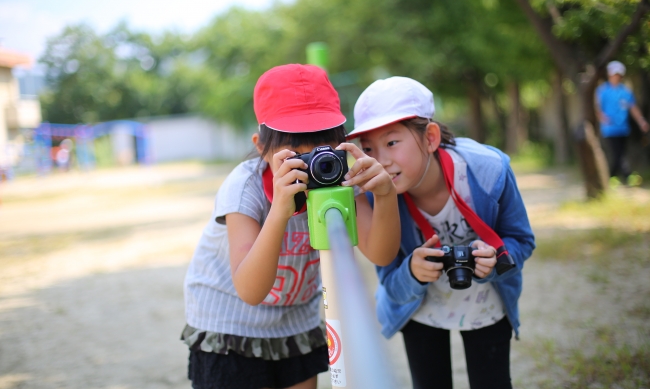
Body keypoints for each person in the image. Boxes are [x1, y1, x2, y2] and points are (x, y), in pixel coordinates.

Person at [181, 64, 400, 389]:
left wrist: (385, 195)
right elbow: (250, 291)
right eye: (295, 154)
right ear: (260, 146)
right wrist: (280, 211)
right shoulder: (245, 188)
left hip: (293, 323)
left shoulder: (341, 179)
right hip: (230, 325)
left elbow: (381, 254)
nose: (313, 165)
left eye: (323, 150)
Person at [346, 77, 535, 389]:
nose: (380, 161)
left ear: (430, 138)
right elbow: (391, 285)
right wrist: (412, 271)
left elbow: (522, 241)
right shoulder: (374, 195)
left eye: (392, 142)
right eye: (367, 148)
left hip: (487, 304)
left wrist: (496, 258)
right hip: (419, 311)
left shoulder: (489, 171)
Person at [596, 60, 650, 186]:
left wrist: (641, 121)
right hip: (609, 128)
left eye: (619, 74)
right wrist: (602, 118)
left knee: (620, 154)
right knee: (618, 154)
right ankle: (627, 176)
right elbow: (597, 108)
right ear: (610, 74)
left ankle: (610, 179)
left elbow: (633, 108)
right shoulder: (602, 90)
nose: (617, 77)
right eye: (615, 74)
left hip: (623, 128)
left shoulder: (625, 92)